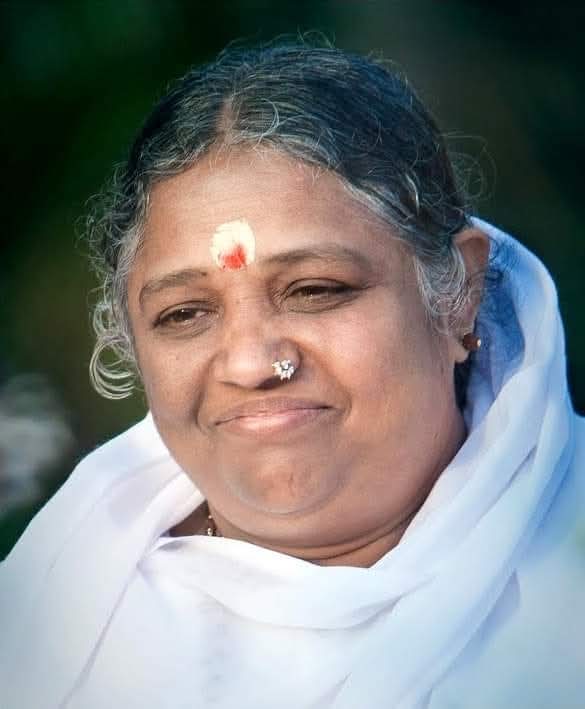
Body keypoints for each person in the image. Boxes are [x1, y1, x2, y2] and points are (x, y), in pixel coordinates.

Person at [1, 40, 583, 708]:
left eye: (315, 290)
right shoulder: (47, 630)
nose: (253, 364)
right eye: (185, 313)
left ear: (458, 294)